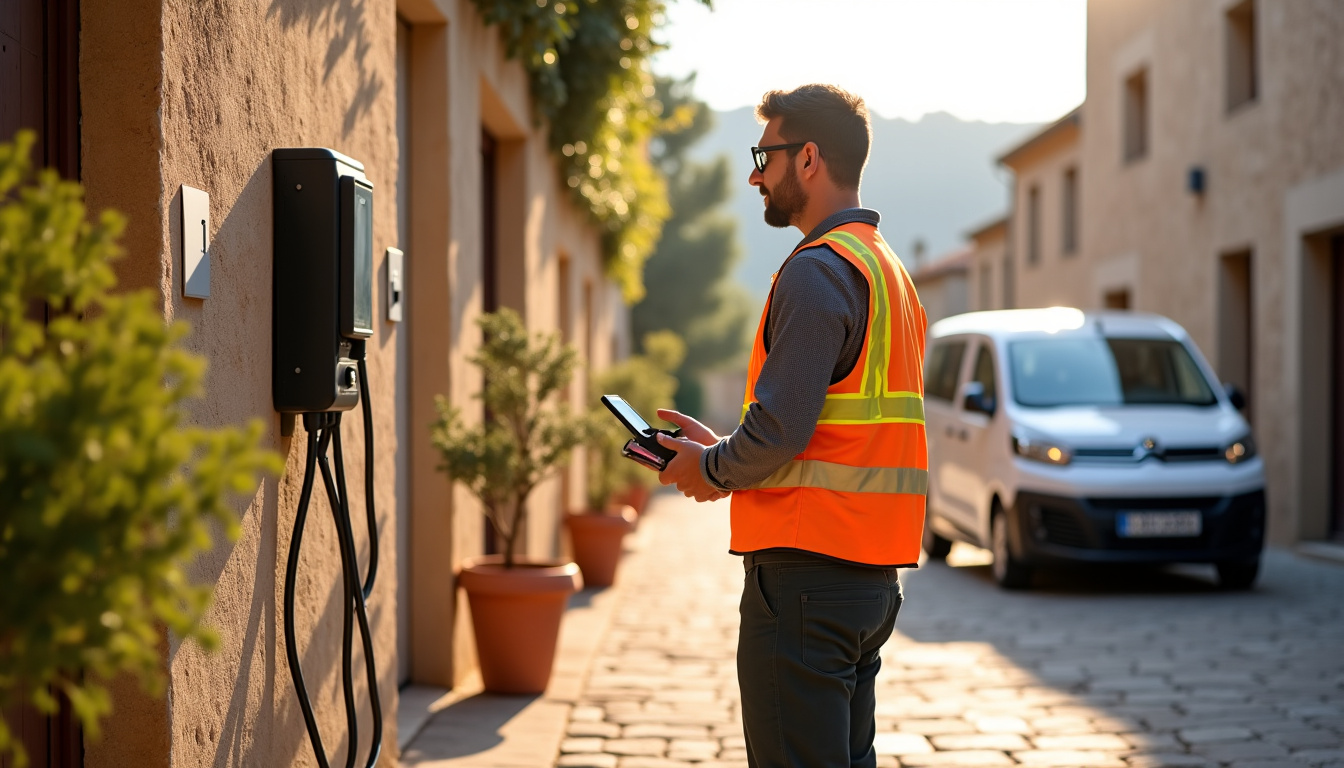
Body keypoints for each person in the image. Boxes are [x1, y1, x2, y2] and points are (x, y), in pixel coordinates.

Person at [655, 84, 929, 768]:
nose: (756, 174)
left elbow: (780, 432)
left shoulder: (817, 273)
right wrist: (716, 449)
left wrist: (709, 468)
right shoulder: (888, 272)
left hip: (808, 579)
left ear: (807, 158)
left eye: (765, 154)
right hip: (869, 582)